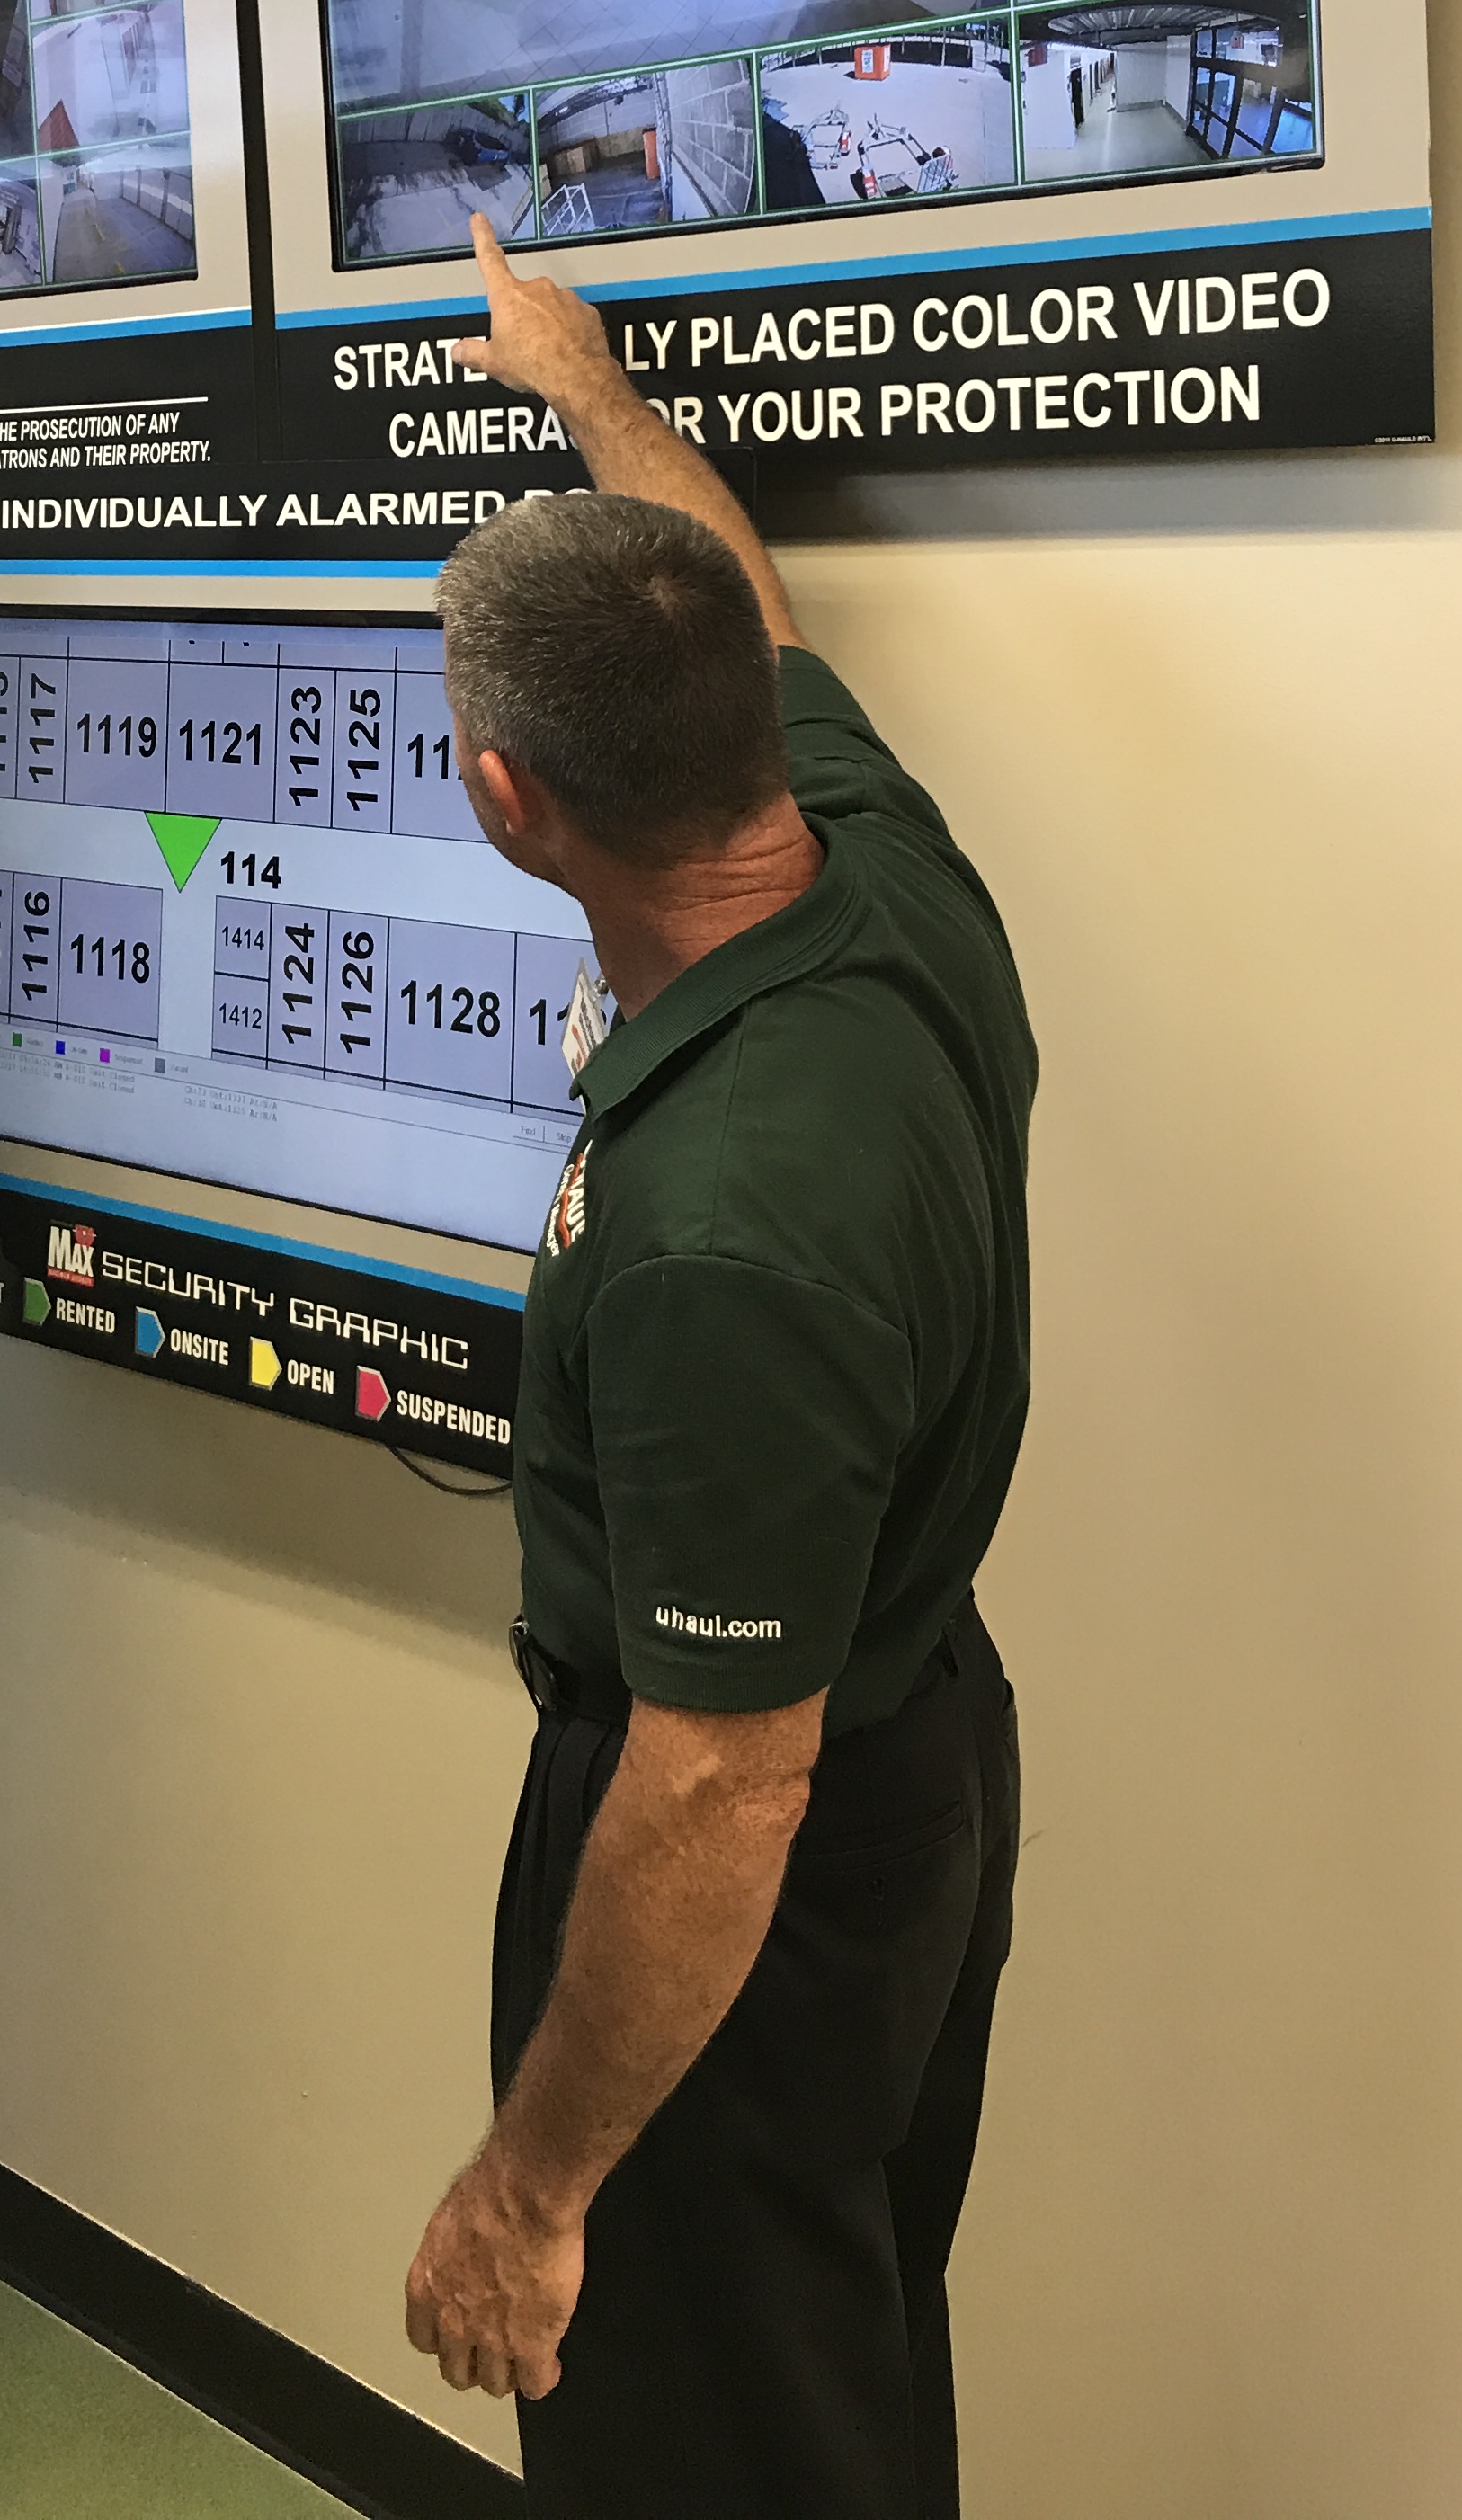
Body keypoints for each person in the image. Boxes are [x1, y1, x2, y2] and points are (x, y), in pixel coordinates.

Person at [403, 217, 1032, 2520]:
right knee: (825, 2391)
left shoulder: (727, 1226)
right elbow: (744, 602)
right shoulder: (883, 872)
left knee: (705, 2439)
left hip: (758, 1859)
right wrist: (589, 396)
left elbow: (717, 1785)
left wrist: (532, 2186)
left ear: (511, 799)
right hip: (918, 1753)